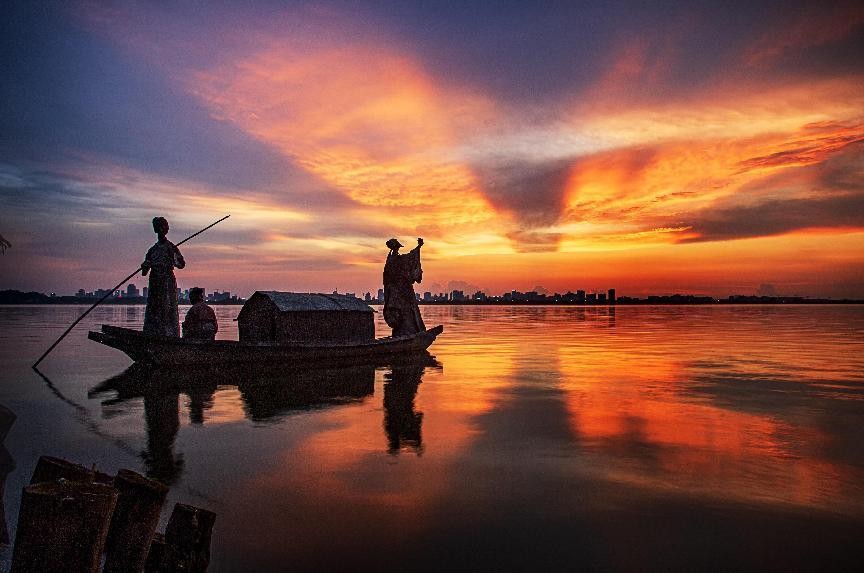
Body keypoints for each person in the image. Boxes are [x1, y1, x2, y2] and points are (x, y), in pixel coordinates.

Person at [142, 217, 185, 336]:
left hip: (167, 281)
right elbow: (144, 273)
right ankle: (152, 333)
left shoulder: (171, 247)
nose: (161, 230)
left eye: (163, 227)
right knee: (154, 307)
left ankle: (169, 334)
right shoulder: (152, 251)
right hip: (155, 281)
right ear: (155, 230)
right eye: (158, 227)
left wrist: (176, 256)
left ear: (166, 229)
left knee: (168, 306)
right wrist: (145, 266)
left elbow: (181, 265)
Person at [383, 237, 426, 337]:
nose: (397, 249)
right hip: (398, 291)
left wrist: (419, 247)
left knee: (407, 312)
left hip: (401, 291)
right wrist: (419, 247)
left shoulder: (395, 259)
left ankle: (407, 334)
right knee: (402, 313)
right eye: (396, 247)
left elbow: (411, 256)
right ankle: (405, 335)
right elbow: (411, 257)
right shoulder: (393, 260)